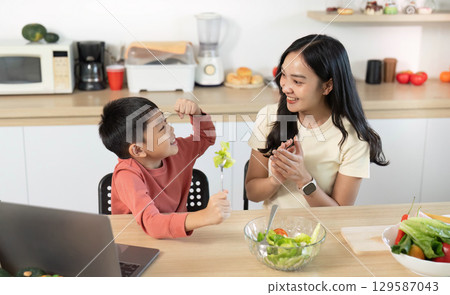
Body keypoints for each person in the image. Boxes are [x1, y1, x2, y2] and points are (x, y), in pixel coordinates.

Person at [246, 34, 388, 209]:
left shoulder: (353, 137)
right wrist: (274, 180)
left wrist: (303, 179)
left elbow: (340, 214)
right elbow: (252, 193)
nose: (285, 87)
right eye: (283, 75)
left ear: (327, 86)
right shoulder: (269, 116)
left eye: (297, 81)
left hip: (322, 233)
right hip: (275, 231)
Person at [98, 97, 231, 239]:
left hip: (176, 240)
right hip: (137, 244)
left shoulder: (176, 151)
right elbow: (152, 223)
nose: (171, 129)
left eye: (166, 122)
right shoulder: (127, 176)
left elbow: (206, 138)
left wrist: (196, 113)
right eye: (162, 128)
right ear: (137, 150)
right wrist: (204, 216)